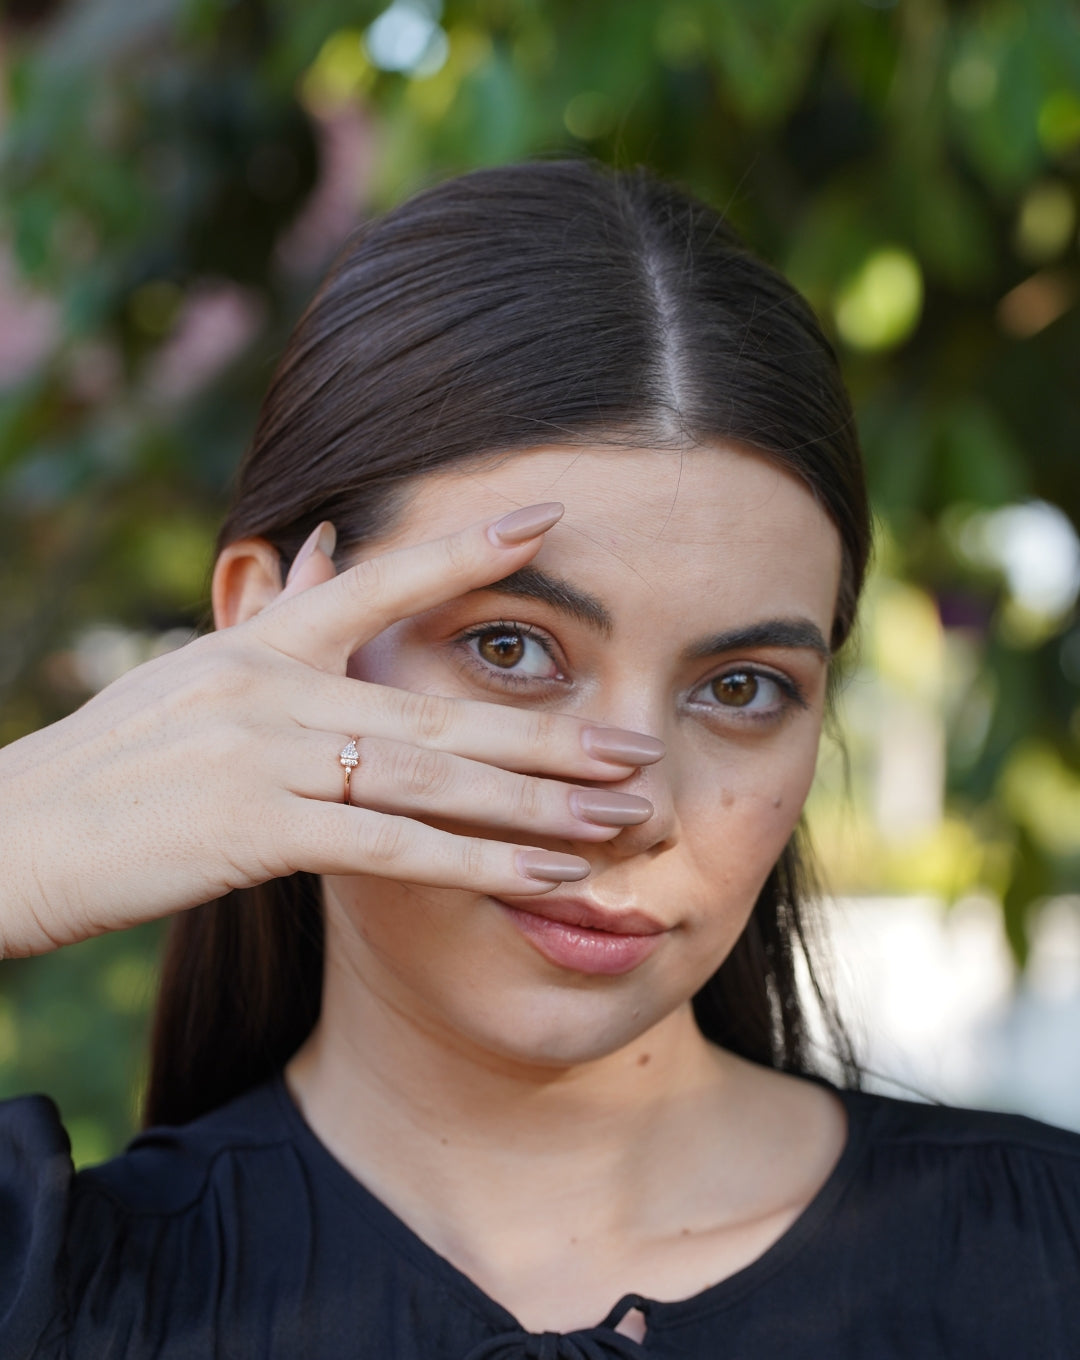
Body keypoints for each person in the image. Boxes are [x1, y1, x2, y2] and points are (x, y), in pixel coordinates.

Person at [1, 160, 1078, 1360]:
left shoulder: (1047, 1265)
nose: (630, 803)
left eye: (740, 687)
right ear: (264, 633)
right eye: (510, 647)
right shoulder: (58, 1300)